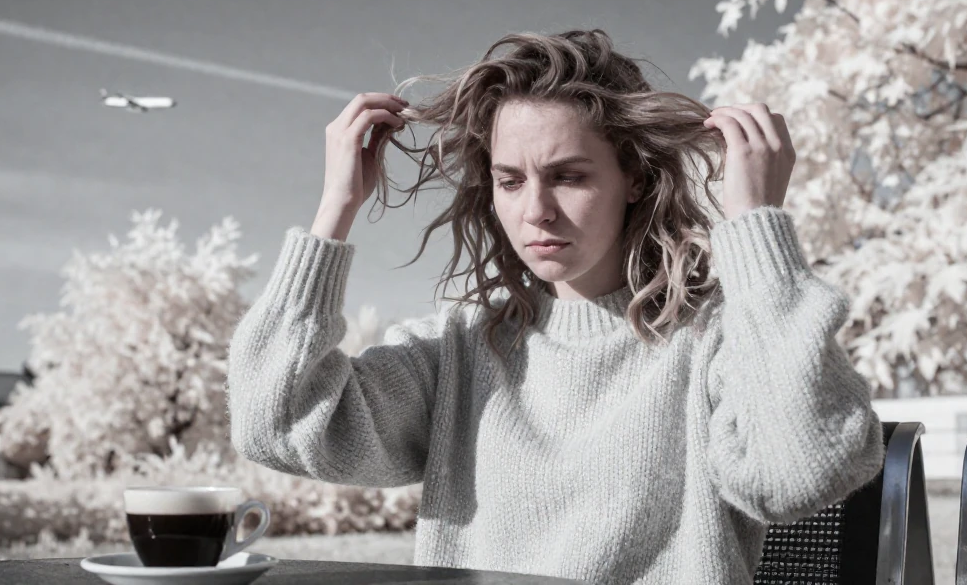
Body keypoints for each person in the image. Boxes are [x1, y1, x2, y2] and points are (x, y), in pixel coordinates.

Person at [226, 29, 884, 585]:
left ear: (634, 178)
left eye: (568, 175)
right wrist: (335, 209)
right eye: (510, 181)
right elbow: (278, 422)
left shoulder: (712, 340)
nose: (534, 209)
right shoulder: (460, 350)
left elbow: (801, 472)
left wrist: (754, 224)